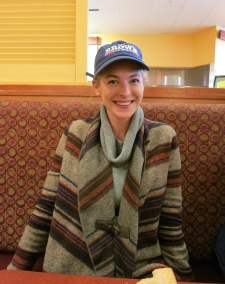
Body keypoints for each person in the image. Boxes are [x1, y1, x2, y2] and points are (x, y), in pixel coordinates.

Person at [7, 40, 192, 279]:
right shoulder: (76, 133)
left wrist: (184, 274)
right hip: (72, 262)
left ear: (143, 84)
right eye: (112, 81)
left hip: (138, 265)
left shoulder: (163, 138)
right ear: (97, 86)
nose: (125, 92)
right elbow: (46, 205)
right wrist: (16, 270)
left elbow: (170, 218)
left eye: (134, 80)